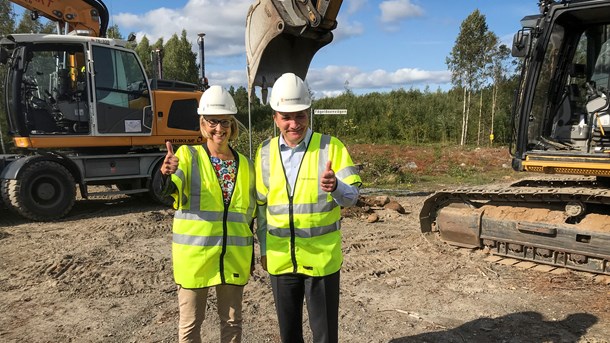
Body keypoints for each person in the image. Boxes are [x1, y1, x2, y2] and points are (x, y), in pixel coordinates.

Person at [254, 72, 362, 343]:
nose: (293, 124)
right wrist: (264, 249)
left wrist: (336, 186)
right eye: (286, 117)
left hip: (321, 261)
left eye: (300, 115)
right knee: (289, 336)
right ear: (275, 118)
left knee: (324, 336)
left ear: (309, 113)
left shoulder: (331, 147)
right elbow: (262, 207)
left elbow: (353, 198)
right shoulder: (264, 153)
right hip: (281, 261)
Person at [160, 85, 257, 343]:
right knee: (191, 324)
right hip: (195, 259)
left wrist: (252, 255)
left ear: (232, 124)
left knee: (233, 323)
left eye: (224, 121)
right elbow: (169, 192)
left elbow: (251, 214)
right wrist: (166, 173)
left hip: (233, 257)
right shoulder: (187, 156)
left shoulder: (245, 164)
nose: (219, 128)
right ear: (203, 124)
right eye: (212, 121)